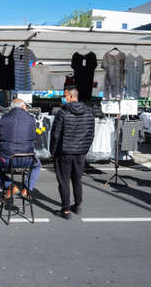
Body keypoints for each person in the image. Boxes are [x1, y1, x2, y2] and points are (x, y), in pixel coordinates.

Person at [50, 88, 95, 219]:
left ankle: (66, 210)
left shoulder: (63, 112)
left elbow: (55, 134)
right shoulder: (89, 112)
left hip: (64, 152)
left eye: (66, 97)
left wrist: (53, 151)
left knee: (64, 181)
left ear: (70, 97)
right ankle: (78, 205)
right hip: (80, 152)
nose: (65, 99)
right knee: (77, 179)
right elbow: (91, 134)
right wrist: (85, 149)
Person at [0, 99, 42, 200]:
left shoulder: (2, 118)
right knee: (37, 165)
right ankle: (27, 189)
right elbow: (34, 134)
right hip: (27, 159)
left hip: (7, 159)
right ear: (23, 107)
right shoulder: (32, 119)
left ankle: (10, 186)